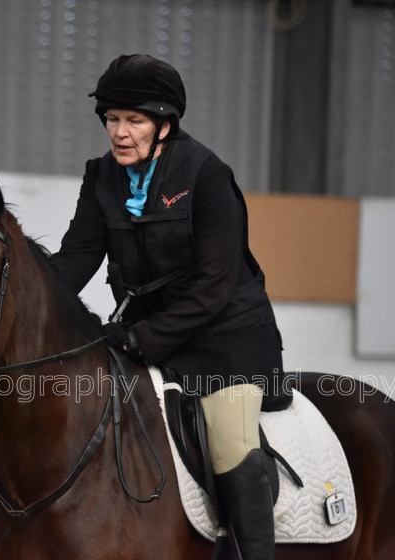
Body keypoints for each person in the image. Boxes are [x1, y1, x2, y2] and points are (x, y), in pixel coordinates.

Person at [49, 54, 286, 559]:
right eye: (112, 119)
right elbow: (78, 257)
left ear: (164, 124)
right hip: (148, 337)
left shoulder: (206, 175)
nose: (120, 132)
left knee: (227, 440)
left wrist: (141, 338)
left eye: (133, 120)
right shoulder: (101, 177)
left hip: (225, 340)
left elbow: (214, 285)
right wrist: (30, 295)